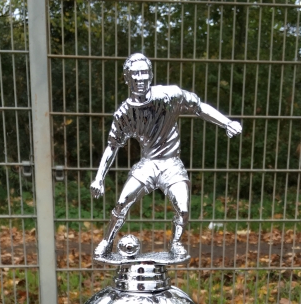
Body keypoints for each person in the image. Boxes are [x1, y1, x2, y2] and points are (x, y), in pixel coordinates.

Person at [91, 53, 242, 258]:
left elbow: (199, 108)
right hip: (148, 164)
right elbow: (112, 146)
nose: (140, 78)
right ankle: (106, 241)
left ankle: (176, 243)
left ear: (151, 75)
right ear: (127, 78)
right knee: (122, 202)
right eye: (135, 74)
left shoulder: (170, 96)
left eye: (144, 72)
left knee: (183, 209)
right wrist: (99, 178)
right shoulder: (124, 113)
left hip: (171, 164)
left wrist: (227, 123)